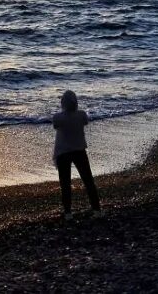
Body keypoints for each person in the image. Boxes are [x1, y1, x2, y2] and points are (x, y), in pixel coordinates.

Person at [53, 90, 101, 219]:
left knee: (65, 183)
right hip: (79, 150)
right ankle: (97, 209)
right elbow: (85, 122)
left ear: (63, 103)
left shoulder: (58, 117)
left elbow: (55, 126)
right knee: (88, 180)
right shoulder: (82, 115)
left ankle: (68, 213)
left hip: (63, 152)